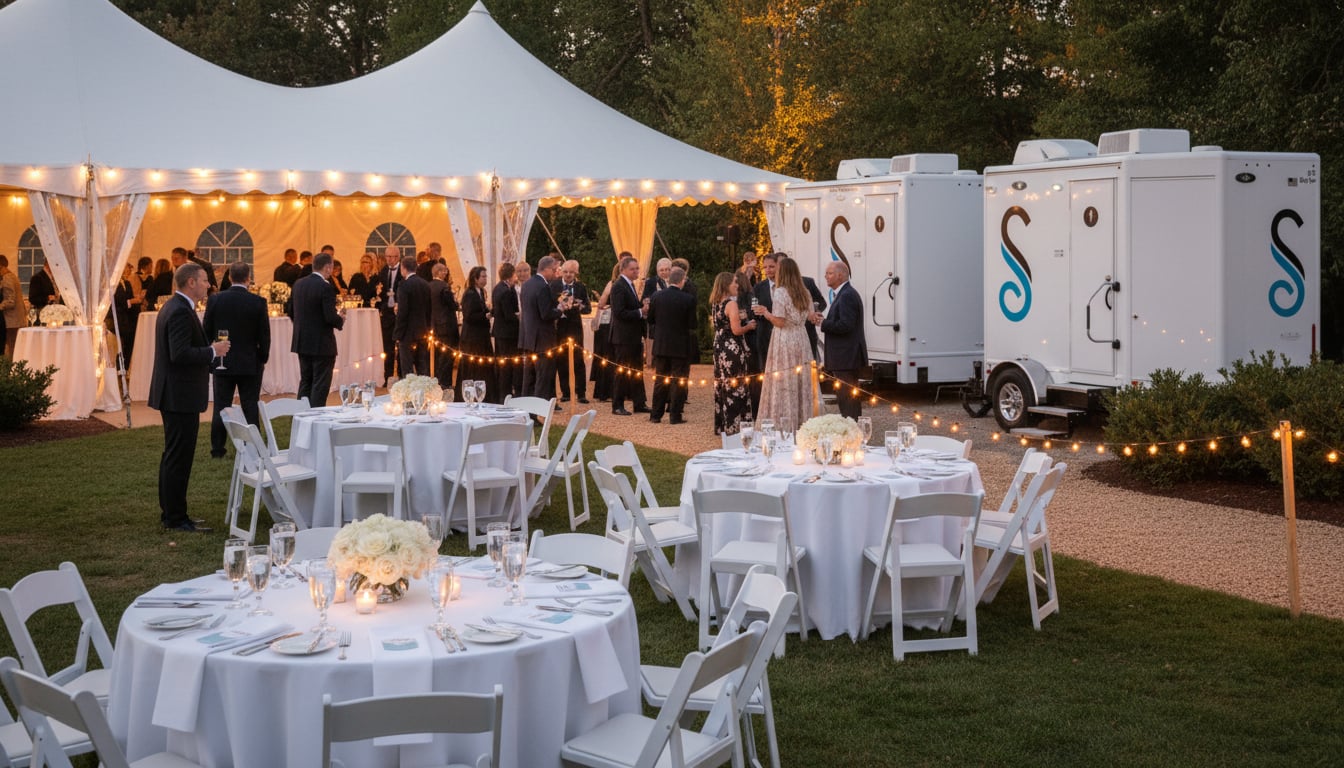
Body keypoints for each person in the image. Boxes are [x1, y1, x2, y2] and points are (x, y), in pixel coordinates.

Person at [148, 262, 229, 532]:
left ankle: (170, 511)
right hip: (178, 394)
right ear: (191, 283)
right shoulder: (180, 311)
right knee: (178, 456)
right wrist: (212, 351)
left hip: (175, 393)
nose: (209, 285)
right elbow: (179, 353)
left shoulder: (177, 307)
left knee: (174, 454)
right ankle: (175, 517)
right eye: (205, 280)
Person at [203, 262, 270, 458]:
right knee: (250, 405)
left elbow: (206, 330)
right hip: (250, 362)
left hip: (223, 360)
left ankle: (217, 449)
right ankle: (254, 448)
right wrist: (262, 358)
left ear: (230, 277)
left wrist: (210, 357)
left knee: (221, 407)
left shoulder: (215, 300)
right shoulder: (258, 302)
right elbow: (264, 335)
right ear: (248, 278)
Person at [753, 256, 818, 427]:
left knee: (783, 380)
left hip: (785, 339)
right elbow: (811, 315)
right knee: (801, 379)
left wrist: (765, 312)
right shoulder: (805, 292)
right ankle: (803, 419)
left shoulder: (781, 292)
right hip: (801, 337)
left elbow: (780, 321)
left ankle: (784, 422)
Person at [813, 261, 868, 419]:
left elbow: (846, 325)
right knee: (847, 397)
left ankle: (852, 429)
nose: (826, 277)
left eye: (829, 273)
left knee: (847, 398)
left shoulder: (847, 295)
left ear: (841, 275)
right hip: (845, 357)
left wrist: (823, 323)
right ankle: (852, 427)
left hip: (846, 357)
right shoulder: (844, 293)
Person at [291, 252, 344, 406]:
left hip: (302, 340)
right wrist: (340, 319)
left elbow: (291, 311)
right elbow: (329, 317)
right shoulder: (325, 287)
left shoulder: (298, 284)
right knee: (320, 384)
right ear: (327, 268)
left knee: (306, 381)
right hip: (322, 343)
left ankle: (300, 415)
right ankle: (316, 417)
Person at [647, 266, 697, 424]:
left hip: (661, 344)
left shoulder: (656, 296)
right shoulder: (688, 299)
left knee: (660, 380)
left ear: (669, 280)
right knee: (678, 381)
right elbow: (692, 324)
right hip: (680, 346)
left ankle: (655, 415)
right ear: (682, 280)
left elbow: (650, 319)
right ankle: (675, 416)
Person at [710, 272, 755, 435]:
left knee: (723, 383)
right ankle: (736, 426)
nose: (737, 285)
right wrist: (748, 326)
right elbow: (736, 330)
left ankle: (723, 425)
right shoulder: (731, 304)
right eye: (734, 283)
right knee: (737, 385)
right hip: (732, 348)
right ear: (726, 285)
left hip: (719, 346)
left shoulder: (716, 303)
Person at [520, 254, 569, 400]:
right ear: (546, 269)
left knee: (529, 377)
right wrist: (561, 310)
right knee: (543, 377)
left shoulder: (527, 284)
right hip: (543, 340)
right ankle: (536, 410)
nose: (556, 273)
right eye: (554, 270)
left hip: (529, 337)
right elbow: (546, 314)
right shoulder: (543, 286)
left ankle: (526, 409)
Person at [609, 254, 649, 415]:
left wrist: (642, 308)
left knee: (637, 370)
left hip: (633, 336)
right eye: (633, 269)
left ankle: (639, 403)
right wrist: (640, 311)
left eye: (637, 268)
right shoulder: (618, 286)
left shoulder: (631, 285)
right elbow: (619, 312)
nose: (636, 271)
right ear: (623, 270)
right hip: (623, 337)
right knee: (622, 371)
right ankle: (617, 405)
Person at [552, 258, 591, 403]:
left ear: (576, 273)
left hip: (575, 327)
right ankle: (566, 392)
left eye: (571, 272)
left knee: (578, 360)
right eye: (566, 271)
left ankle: (581, 393)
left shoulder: (581, 287)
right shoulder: (554, 285)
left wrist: (580, 306)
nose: (568, 275)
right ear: (561, 271)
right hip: (560, 326)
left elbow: (588, 308)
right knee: (561, 360)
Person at [457, 265, 494, 400]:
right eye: (483, 276)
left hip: (480, 336)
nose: (485, 279)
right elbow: (469, 315)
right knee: (472, 366)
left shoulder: (480, 292)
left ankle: (482, 393)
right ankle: (469, 394)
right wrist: (485, 316)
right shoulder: (470, 294)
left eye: (485, 276)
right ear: (475, 278)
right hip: (472, 338)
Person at [393, 255, 432, 376]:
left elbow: (403, 311)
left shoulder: (404, 285)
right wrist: (428, 328)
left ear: (403, 268)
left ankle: (410, 393)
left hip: (407, 332)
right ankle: (424, 392)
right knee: (422, 365)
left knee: (407, 368)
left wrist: (398, 333)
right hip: (422, 331)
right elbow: (429, 309)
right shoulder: (425, 284)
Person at [590, 262, 621, 402]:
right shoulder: (612, 284)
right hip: (608, 324)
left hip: (614, 323)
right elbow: (602, 302)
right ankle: (604, 391)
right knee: (608, 358)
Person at [491, 262, 521, 400]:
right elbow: (508, 314)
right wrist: (519, 316)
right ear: (510, 275)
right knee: (507, 365)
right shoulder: (506, 291)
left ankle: (502, 392)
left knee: (502, 363)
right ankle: (505, 394)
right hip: (507, 333)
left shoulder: (497, 288)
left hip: (499, 332)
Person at [429, 262, 460, 390]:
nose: (446, 274)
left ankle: (437, 379)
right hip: (447, 325)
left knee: (437, 355)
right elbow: (452, 305)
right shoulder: (444, 287)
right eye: (444, 272)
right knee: (448, 355)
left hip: (434, 326)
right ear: (439, 272)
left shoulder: (428, 286)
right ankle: (446, 382)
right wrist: (457, 303)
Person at [376, 245, 403, 382]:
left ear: (398, 257)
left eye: (393, 257)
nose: (390, 259)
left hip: (400, 314)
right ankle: (387, 376)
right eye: (387, 257)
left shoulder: (403, 271)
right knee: (387, 347)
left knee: (402, 346)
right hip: (387, 314)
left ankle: (401, 374)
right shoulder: (383, 271)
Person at [111, 262, 140, 362]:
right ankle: (120, 365)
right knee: (121, 343)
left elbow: (130, 298)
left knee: (130, 341)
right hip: (117, 318)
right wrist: (133, 301)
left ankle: (126, 365)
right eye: (127, 268)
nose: (129, 271)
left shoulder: (126, 283)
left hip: (128, 317)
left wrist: (133, 300)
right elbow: (118, 301)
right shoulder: (113, 283)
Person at [0, 254, 26, 356]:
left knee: (11, 348)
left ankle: (11, 369)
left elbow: (10, 301)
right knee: (14, 347)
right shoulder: (13, 276)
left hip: (11, 320)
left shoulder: (7, 278)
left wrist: (0, 306)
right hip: (17, 319)